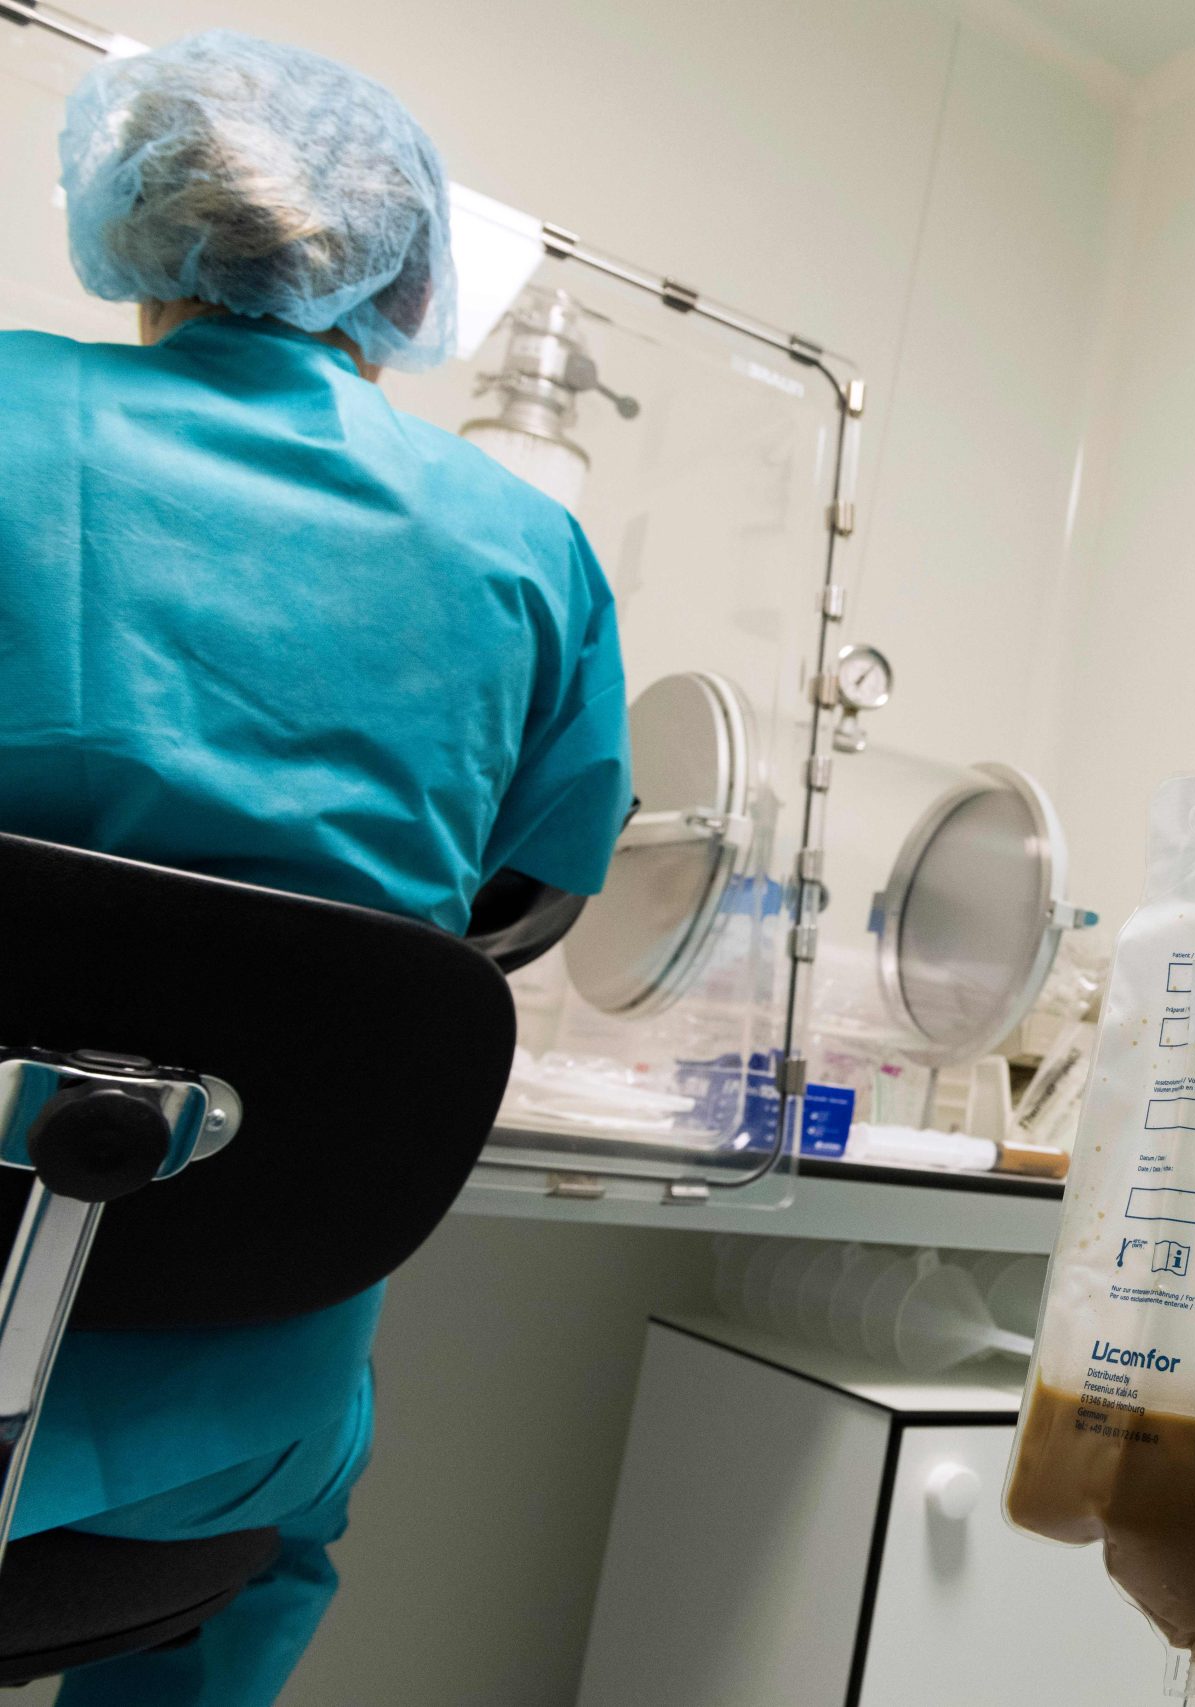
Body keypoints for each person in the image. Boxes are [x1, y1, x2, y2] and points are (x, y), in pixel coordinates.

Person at [0, 31, 630, 1704]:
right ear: (397, 272)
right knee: (289, 1499)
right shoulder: (526, 546)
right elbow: (528, 894)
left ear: (123, 217)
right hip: (220, 1452)